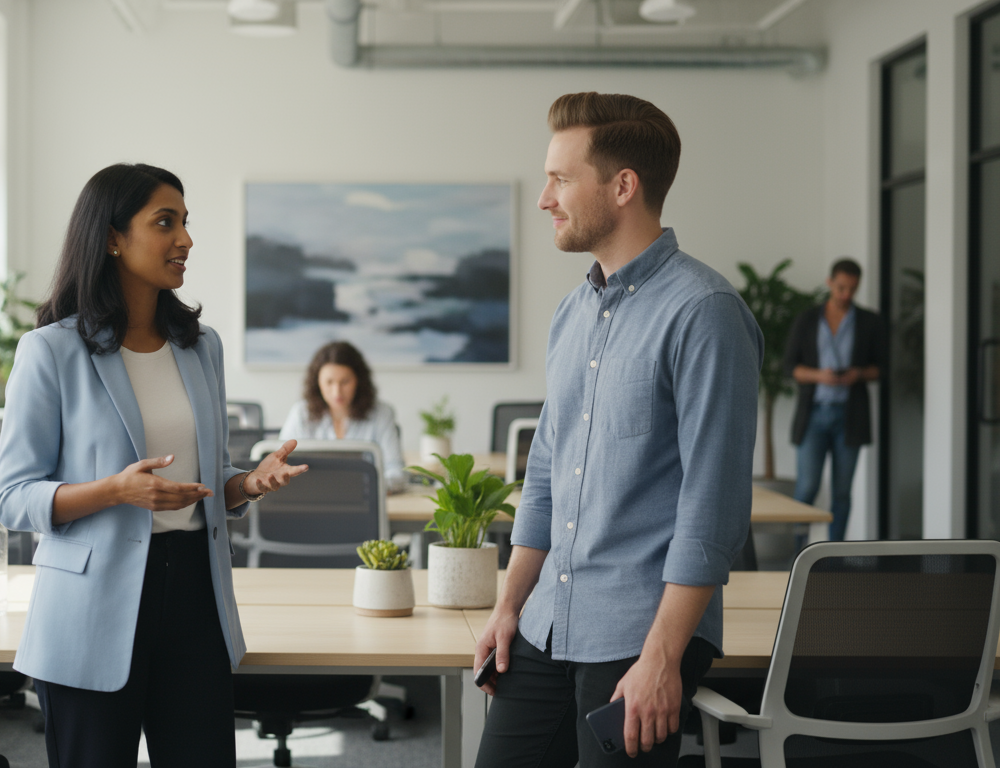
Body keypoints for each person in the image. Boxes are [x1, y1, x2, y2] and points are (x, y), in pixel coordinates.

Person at [473, 92, 761, 768]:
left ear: (623, 186)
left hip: (642, 634)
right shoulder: (571, 314)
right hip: (547, 622)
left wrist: (664, 658)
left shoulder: (705, 312)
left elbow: (712, 512)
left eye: (561, 178)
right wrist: (508, 605)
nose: (545, 197)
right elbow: (544, 473)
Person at [0, 163, 307, 768]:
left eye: (185, 222)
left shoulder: (201, 346)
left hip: (194, 591)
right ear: (113, 236)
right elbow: (13, 497)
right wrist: (113, 491)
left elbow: (206, 479)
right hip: (90, 604)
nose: (184, 239)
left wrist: (245, 484)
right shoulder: (51, 350)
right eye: (165, 222)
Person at [783, 259, 883, 542]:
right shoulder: (807, 319)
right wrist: (819, 376)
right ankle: (797, 558)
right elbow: (789, 367)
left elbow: (881, 368)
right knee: (806, 490)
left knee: (841, 493)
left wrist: (858, 374)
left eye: (852, 289)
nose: (846, 295)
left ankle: (834, 561)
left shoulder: (869, 321)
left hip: (850, 416)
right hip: (813, 415)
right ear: (830, 283)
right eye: (841, 287)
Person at [279, 340, 407, 493]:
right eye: (329, 382)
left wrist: (363, 488)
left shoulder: (381, 414)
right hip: (311, 501)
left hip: (364, 503)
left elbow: (396, 472)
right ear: (317, 382)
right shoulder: (301, 413)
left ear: (358, 381)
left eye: (345, 382)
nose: (337, 392)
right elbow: (281, 466)